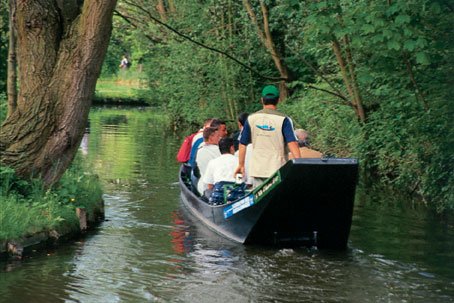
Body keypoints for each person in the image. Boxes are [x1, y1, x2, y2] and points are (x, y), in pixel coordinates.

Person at [234, 85, 301, 188]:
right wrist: (299, 165)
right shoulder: (284, 119)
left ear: (262, 100)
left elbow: (242, 144)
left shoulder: (251, 119)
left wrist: (241, 165)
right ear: (278, 100)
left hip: (258, 169)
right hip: (278, 170)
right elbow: (292, 143)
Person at [195, 127, 221, 194]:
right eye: (218, 136)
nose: (220, 138)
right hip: (215, 186)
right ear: (211, 138)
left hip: (202, 186)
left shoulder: (199, 149)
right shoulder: (218, 150)